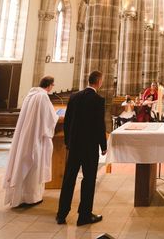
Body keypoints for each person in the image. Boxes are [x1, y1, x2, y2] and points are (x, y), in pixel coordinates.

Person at [56, 70, 107, 226]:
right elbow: (99, 124)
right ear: (98, 82)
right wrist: (103, 145)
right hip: (90, 147)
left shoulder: (74, 97)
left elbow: (68, 121)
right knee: (89, 179)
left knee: (69, 178)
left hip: (74, 145)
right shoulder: (98, 99)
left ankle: (61, 214)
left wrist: (67, 141)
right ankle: (84, 215)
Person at [2, 76, 58, 207]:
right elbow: (49, 117)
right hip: (36, 137)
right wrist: (57, 117)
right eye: (52, 85)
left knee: (25, 163)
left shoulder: (31, 95)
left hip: (26, 135)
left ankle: (20, 196)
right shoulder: (43, 97)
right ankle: (31, 197)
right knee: (34, 165)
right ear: (49, 85)